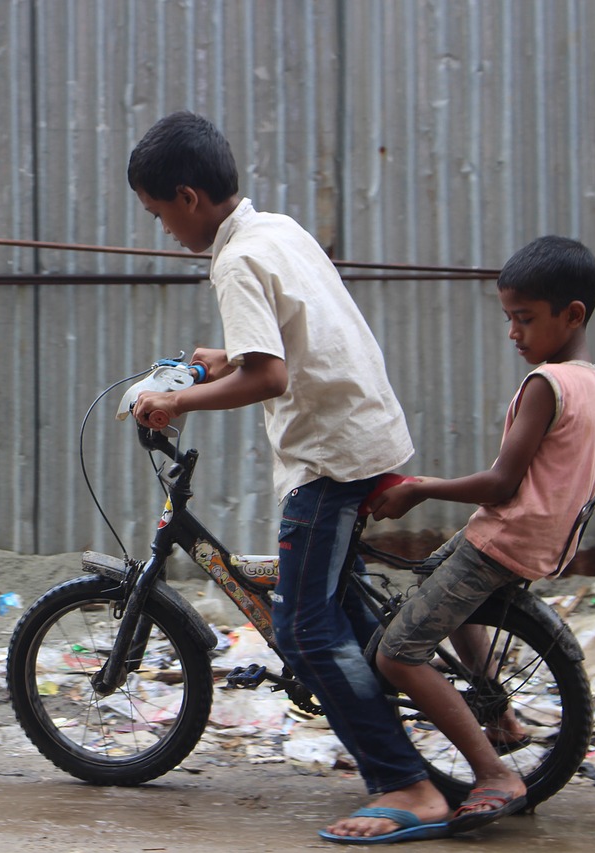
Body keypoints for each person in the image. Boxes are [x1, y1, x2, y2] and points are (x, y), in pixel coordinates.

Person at [127, 111, 452, 844]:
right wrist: (219, 355)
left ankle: (407, 783)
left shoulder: (236, 260)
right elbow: (286, 336)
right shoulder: (276, 228)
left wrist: (176, 398)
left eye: (159, 214)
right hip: (367, 431)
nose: (164, 231)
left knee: (305, 628)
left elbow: (269, 374)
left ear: (187, 196)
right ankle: (445, 738)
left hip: (327, 458)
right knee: (338, 613)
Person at [344, 235, 595, 839]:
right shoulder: (590, 381)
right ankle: (500, 713)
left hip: (503, 537)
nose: (514, 333)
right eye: (508, 318)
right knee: (430, 589)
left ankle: (494, 774)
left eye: (525, 319)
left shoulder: (547, 384)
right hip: (535, 540)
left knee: (396, 651)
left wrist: (420, 487)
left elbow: (500, 483)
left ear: (572, 315)